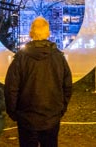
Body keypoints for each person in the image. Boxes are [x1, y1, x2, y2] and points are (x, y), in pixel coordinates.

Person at [5, 17, 72, 147]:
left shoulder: (20, 58)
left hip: (27, 118)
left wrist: (13, 112)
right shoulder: (58, 58)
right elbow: (67, 87)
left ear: (31, 33)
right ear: (48, 33)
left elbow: (11, 89)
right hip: (50, 117)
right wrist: (61, 109)